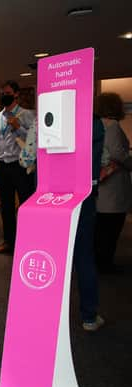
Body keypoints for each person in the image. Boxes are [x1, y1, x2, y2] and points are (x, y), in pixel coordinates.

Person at [0, 80, 36, 254]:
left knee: (25, 205)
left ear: (16, 94)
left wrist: (19, 128)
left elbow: (33, 141)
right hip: (2, 168)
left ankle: (28, 242)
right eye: (2, 93)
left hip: (21, 166)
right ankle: (9, 242)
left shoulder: (27, 115)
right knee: (6, 208)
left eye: (8, 93)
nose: (4, 96)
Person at [73, 115, 105, 331]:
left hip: (52, 195)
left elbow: (27, 159)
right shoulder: (92, 121)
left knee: (54, 257)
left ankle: (48, 313)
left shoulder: (44, 118)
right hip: (83, 193)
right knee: (84, 255)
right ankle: (89, 317)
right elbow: (102, 160)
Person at [94, 92, 132, 274]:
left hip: (102, 184)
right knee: (111, 227)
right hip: (114, 185)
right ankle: (105, 263)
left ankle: (100, 261)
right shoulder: (113, 126)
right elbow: (118, 154)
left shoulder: (99, 125)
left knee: (102, 228)